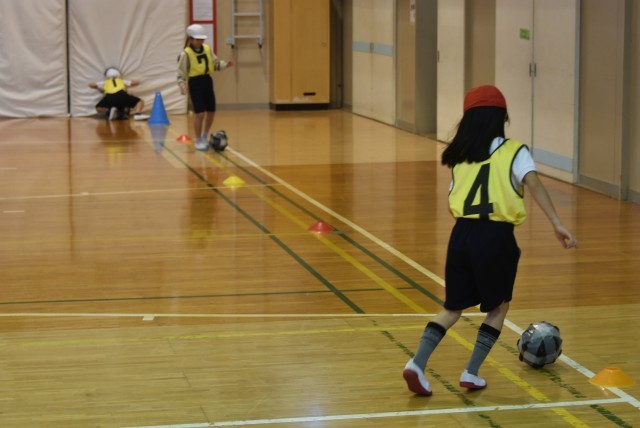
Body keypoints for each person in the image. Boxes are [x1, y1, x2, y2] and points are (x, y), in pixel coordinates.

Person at [402, 85, 578, 396]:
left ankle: (416, 363)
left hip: (460, 235)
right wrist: (557, 223)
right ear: (501, 117)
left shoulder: (460, 157)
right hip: (495, 237)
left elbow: (452, 202)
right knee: (498, 307)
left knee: (452, 308)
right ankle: (471, 372)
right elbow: (534, 184)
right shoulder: (514, 151)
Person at [177, 24, 234, 151]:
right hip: (195, 83)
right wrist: (182, 85)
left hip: (207, 81)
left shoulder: (207, 49)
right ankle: (198, 140)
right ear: (190, 39)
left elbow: (215, 64)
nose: (200, 42)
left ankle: (204, 135)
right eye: (197, 39)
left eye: (202, 39)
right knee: (200, 113)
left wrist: (225, 65)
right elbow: (181, 73)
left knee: (211, 111)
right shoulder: (186, 54)